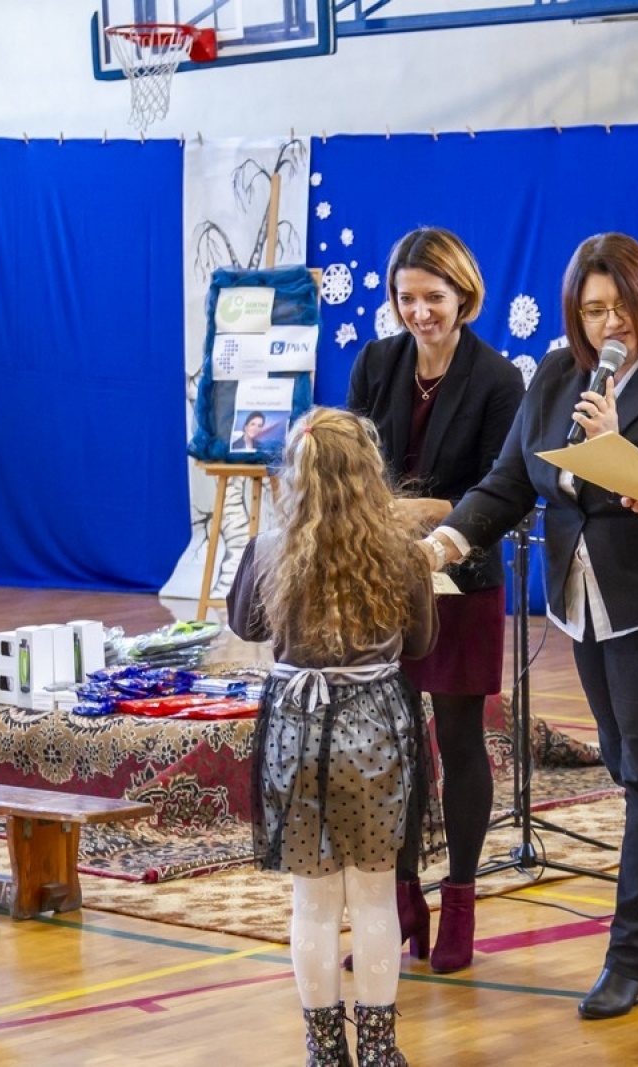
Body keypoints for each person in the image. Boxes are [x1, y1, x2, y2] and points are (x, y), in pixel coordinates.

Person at [424, 233, 638, 1020]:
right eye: (593, 310)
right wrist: (446, 541)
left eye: (622, 307)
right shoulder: (559, 376)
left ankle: (631, 957)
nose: (610, 324)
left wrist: (617, 449)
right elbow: (508, 480)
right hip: (588, 602)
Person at [226, 406, 439, 1067]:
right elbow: (422, 642)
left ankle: (324, 1050)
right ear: (371, 473)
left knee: (313, 901)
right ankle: (378, 1049)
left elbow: (245, 625)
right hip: (375, 727)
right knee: (374, 894)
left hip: (296, 726)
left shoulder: (272, 547)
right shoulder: (400, 551)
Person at [346, 227, 524, 973]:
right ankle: (401, 900)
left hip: (462, 581)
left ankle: (460, 900)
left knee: (458, 740)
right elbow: (355, 468)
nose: (419, 312)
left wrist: (419, 512)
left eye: (433, 298)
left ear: (464, 297)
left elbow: (499, 490)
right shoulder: (375, 362)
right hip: (384, 581)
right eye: (406, 298)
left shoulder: (498, 380)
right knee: (390, 745)